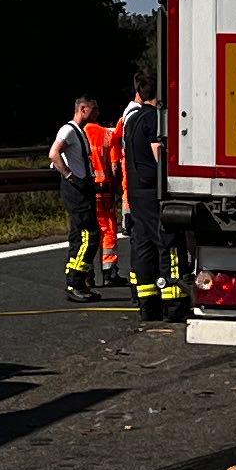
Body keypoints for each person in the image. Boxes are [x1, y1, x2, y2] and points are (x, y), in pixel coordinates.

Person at [116, 87, 182, 316]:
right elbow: (157, 150)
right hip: (153, 189)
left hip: (136, 190)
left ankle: (147, 306)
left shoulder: (131, 119)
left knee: (143, 244)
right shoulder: (153, 118)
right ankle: (174, 305)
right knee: (168, 241)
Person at [49, 95, 106, 302]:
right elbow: (53, 154)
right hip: (75, 189)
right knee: (89, 235)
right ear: (83, 109)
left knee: (78, 236)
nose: (97, 113)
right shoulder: (68, 130)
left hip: (83, 188)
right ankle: (75, 281)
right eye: (94, 109)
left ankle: (77, 282)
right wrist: (70, 176)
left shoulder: (80, 132)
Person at [83, 104, 125, 292]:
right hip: (105, 190)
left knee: (87, 230)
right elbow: (115, 167)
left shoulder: (79, 132)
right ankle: (109, 272)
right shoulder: (108, 135)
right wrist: (118, 188)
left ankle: (87, 273)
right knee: (108, 229)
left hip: (86, 190)